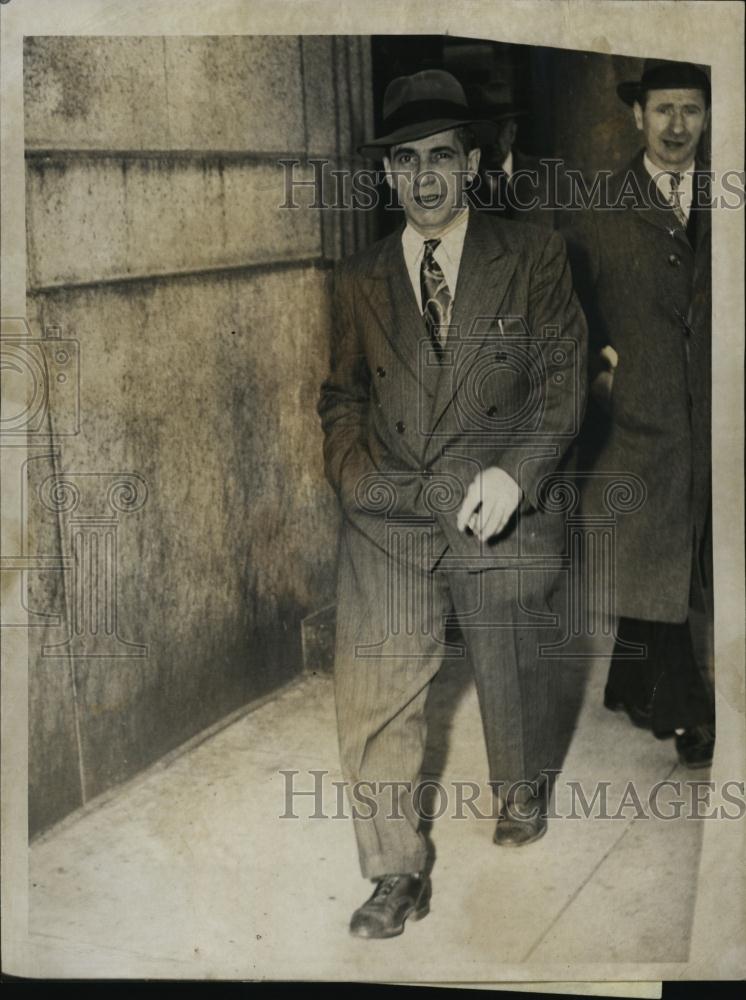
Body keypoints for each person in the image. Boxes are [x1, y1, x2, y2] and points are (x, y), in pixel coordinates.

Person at [318, 69, 587, 939]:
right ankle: (395, 871)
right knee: (374, 687)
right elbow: (343, 394)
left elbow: (560, 382)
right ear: (389, 175)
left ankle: (519, 788)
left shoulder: (535, 254)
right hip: (392, 503)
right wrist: (352, 475)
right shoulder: (359, 277)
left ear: (472, 161)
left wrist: (516, 476)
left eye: (442, 156)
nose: (424, 177)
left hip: (496, 494)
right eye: (406, 161)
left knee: (512, 664)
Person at [565, 59, 714, 768]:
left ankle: (627, 682)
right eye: (664, 111)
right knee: (655, 554)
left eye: (691, 110)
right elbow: (567, 308)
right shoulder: (600, 204)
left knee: (670, 555)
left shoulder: (723, 195)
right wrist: (598, 372)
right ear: (637, 116)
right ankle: (688, 712)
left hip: (709, 415)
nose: (678, 126)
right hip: (637, 417)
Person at [467, 82, 571, 228]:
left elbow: (574, 238)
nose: (494, 139)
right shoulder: (461, 184)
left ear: (512, 132)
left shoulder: (550, 175)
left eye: (500, 128)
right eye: (486, 129)